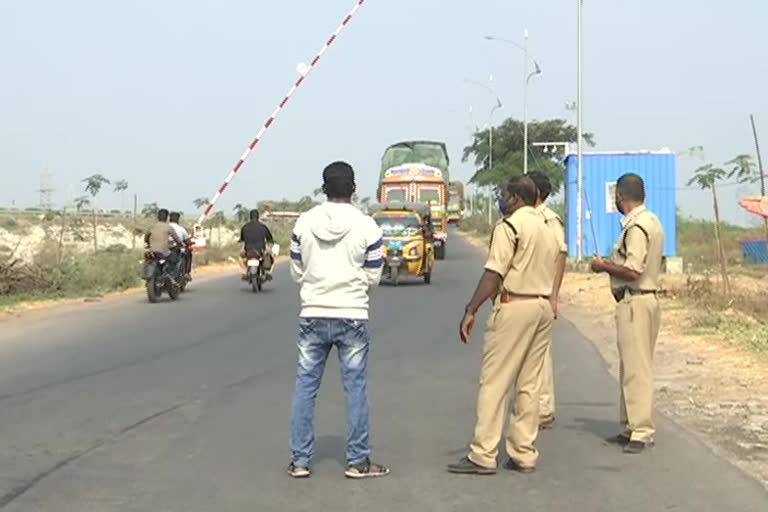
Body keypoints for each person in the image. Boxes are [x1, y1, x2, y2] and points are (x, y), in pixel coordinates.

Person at [447, 176, 558, 475]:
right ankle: (524, 451)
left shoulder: (509, 226)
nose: (501, 199)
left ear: (514, 198)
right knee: (530, 383)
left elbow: (494, 273)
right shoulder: (548, 227)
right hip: (542, 305)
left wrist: (471, 309)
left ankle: (483, 453)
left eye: (503, 195)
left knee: (495, 381)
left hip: (514, 304)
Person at [288, 161, 389, 479]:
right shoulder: (367, 226)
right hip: (352, 314)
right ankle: (358, 461)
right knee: (355, 388)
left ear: (323, 189)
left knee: (305, 387)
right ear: (354, 190)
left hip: (313, 312)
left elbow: (296, 271)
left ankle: (301, 461)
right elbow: (374, 275)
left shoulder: (304, 222)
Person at [590, 173, 664, 454]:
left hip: (636, 301)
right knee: (631, 365)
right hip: (646, 300)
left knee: (637, 368)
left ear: (620, 196)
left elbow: (633, 270)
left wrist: (603, 267)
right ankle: (630, 425)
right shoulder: (653, 222)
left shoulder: (636, 227)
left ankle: (641, 430)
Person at [527, 171, 567, 430]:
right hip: (524, 294)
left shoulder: (549, 221)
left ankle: (543, 407)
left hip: (541, 293)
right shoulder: (524, 218)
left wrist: (554, 295)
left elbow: (560, 255)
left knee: (540, 355)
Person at [239, 209, 274, 279]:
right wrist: (271, 242)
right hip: (261, 249)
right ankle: (268, 272)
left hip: (248, 249)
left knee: (240, 257)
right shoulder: (263, 227)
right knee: (271, 255)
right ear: (258, 217)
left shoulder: (245, 227)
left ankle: (244, 272)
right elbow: (270, 239)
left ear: (250, 217)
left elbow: (242, 239)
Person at [169, 212, 192, 279]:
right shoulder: (181, 229)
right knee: (188, 254)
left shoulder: (165, 227)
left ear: (169, 219)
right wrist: (189, 243)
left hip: (164, 249)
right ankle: (187, 273)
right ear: (178, 220)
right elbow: (187, 240)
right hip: (175, 249)